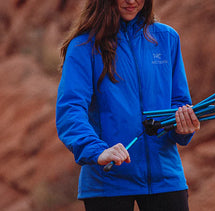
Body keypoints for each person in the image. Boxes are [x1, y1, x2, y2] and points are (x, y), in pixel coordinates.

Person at [56, 0, 198, 210]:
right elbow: (71, 109)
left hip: (166, 179)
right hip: (107, 182)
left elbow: (179, 103)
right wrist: (97, 151)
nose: (131, 1)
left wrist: (183, 128)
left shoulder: (167, 38)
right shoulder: (83, 46)